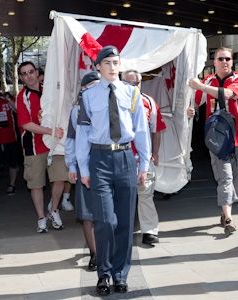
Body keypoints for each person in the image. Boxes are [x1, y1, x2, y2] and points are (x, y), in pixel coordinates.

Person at [76, 46, 150, 295]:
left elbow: (141, 130)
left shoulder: (132, 93)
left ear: (120, 65)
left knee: (126, 222)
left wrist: (144, 164)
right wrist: (83, 167)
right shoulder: (87, 97)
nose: (111, 66)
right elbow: (83, 136)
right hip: (99, 159)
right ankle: (104, 274)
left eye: (115, 62)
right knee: (105, 221)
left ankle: (120, 274)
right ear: (97, 66)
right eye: (106, 62)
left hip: (126, 157)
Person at [189, 47, 238, 236]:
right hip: (217, 139)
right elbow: (194, 102)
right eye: (220, 59)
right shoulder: (208, 80)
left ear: (232, 62)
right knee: (225, 178)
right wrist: (191, 110)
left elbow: (230, 94)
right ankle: (228, 217)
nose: (225, 62)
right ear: (213, 62)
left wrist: (201, 87)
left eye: (228, 59)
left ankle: (226, 207)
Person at [15, 61, 65, 233]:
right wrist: (51, 131)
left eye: (31, 71)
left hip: (55, 144)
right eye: (24, 73)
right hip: (34, 147)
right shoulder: (21, 96)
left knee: (60, 177)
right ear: (21, 78)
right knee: (36, 184)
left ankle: (53, 210)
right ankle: (41, 218)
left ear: (37, 72)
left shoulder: (50, 91)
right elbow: (25, 124)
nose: (29, 75)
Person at [122, 70, 167, 246]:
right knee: (123, 195)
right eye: (129, 84)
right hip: (121, 156)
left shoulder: (149, 101)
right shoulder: (114, 100)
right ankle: (122, 230)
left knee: (146, 194)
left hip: (143, 159)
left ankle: (149, 230)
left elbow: (156, 130)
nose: (133, 87)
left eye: (136, 83)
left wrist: (155, 153)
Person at [65, 71, 101, 271]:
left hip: (107, 163)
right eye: (89, 88)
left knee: (108, 213)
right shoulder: (75, 111)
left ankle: (107, 251)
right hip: (83, 165)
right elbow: (71, 139)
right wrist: (71, 164)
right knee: (88, 214)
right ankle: (94, 254)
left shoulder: (109, 107)